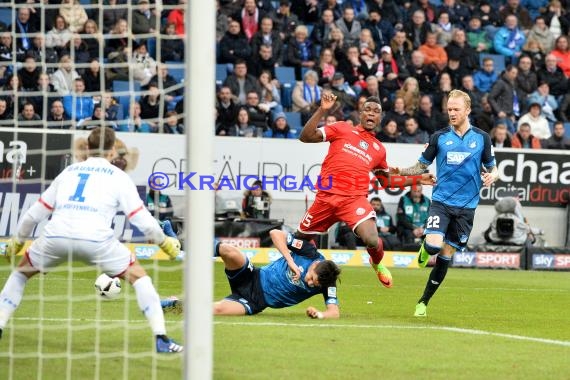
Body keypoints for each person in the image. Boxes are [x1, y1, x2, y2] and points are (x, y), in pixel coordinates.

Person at [0, 127, 183, 353]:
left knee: (19, 275)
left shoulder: (69, 171)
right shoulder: (119, 177)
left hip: (56, 236)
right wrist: (165, 243)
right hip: (96, 241)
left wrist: (17, 241)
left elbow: (34, 213)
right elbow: (142, 220)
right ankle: (161, 339)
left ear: (86, 147)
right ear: (113, 150)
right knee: (140, 279)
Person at [295, 93, 435, 289]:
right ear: (361, 113)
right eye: (368, 109)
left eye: (376, 111)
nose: (371, 114)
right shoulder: (342, 128)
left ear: (380, 118)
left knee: (371, 239)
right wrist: (323, 110)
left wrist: (419, 178)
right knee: (297, 240)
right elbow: (306, 136)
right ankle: (291, 271)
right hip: (326, 198)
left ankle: (376, 263)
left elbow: (387, 182)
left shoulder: (378, 149)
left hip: (353, 200)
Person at [393, 90, 498, 317]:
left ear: (467, 110)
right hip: (441, 201)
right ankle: (425, 248)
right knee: (432, 245)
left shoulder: (482, 138)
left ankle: (423, 302)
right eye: (449, 109)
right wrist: (400, 170)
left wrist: (492, 176)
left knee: (446, 255)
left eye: (456, 109)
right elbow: (421, 166)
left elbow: (493, 167)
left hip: (467, 207)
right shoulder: (439, 137)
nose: (451, 113)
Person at [213, 230, 341, 318]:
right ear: (315, 264)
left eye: (314, 284)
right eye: (312, 278)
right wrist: (290, 261)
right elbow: (275, 233)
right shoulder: (309, 252)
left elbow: (334, 312)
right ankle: (197, 247)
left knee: (217, 310)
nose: (310, 283)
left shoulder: (328, 282)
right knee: (228, 250)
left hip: (255, 301)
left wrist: (319, 315)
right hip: (252, 276)